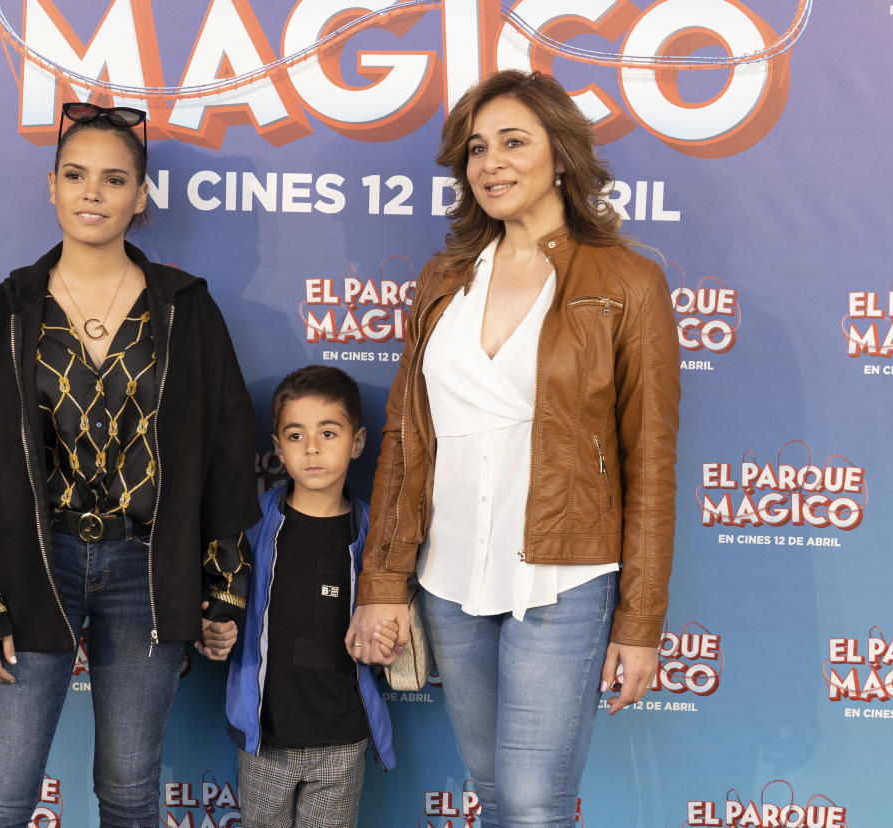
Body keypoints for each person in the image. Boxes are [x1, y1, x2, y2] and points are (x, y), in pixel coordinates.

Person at [0, 101, 260, 828]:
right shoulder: (2, 312)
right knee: (2, 796)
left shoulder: (187, 311)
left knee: (130, 792)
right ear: (52, 187)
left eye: (113, 178)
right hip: (36, 561)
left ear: (140, 196)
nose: (92, 192)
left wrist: (225, 587)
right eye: (75, 174)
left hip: (146, 568)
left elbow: (225, 451)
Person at [346, 70, 681, 827]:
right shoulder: (443, 279)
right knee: (494, 794)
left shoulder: (629, 282)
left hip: (564, 575)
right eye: (475, 149)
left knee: (532, 805)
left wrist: (639, 624)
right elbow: (403, 438)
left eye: (513, 142)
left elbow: (651, 463)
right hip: (449, 575)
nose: (490, 163)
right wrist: (384, 580)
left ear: (560, 155)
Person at [225, 365, 396, 828]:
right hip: (267, 737)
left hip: (342, 737)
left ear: (357, 442)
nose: (313, 448)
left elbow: (390, 624)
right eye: (296, 435)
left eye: (328, 432)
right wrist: (214, 628)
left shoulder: (373, 534)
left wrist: (387, 643)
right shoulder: (252, 523)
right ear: (278, 448)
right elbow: (223, 602)